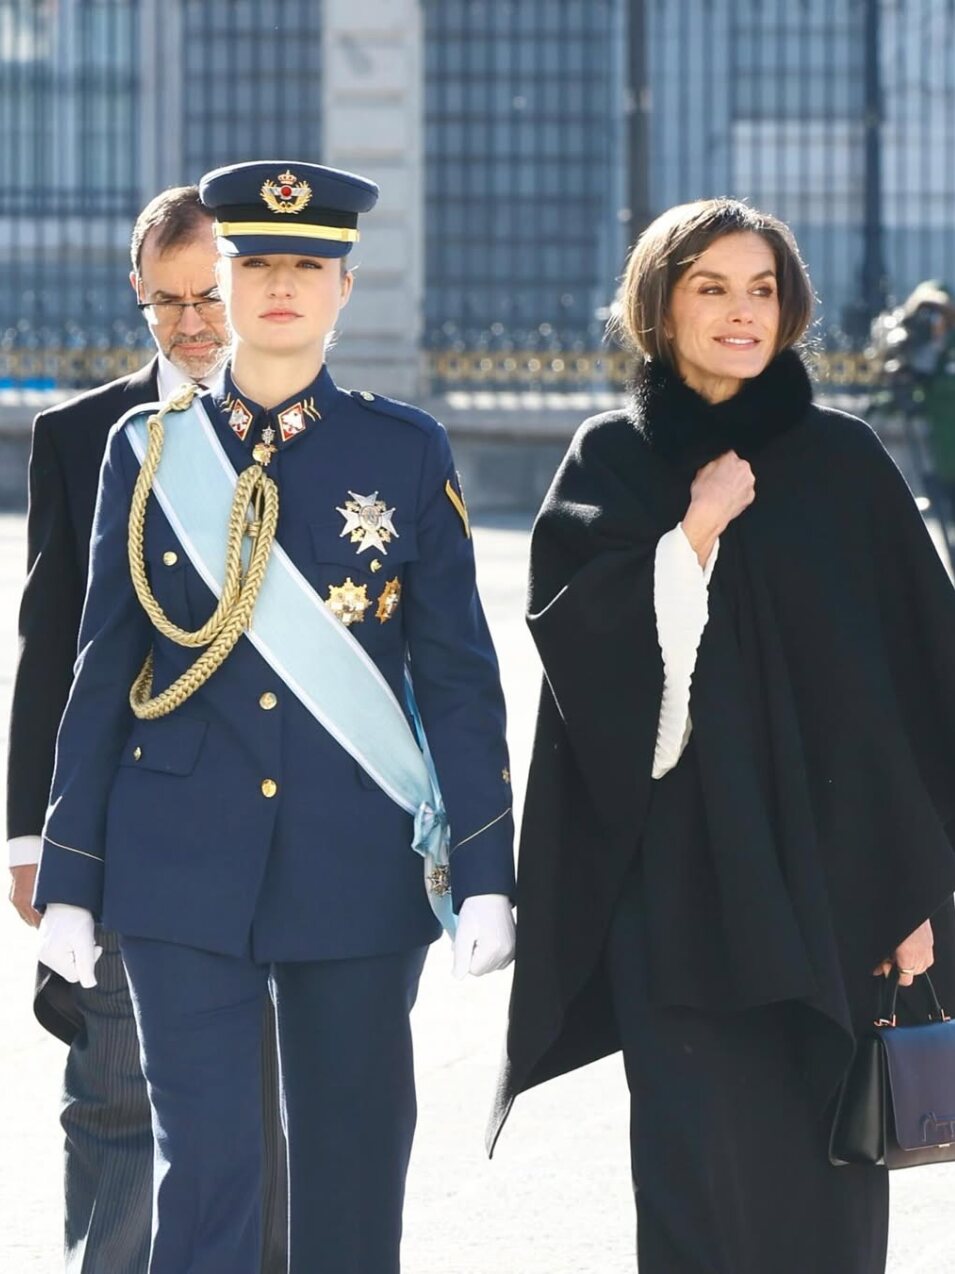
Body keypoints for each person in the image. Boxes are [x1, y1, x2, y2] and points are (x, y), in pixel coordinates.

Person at [33, 160, 516, 1274]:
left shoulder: (403, 450)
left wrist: (486, 864)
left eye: (309, 264)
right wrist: (70, 869)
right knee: (204, 1176)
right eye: (258, 264)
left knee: (351, 1167)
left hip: (353, 855)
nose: (282, 285)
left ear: (344, 287)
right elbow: (102, 664)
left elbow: (454, 669)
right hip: (176, 854)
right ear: (225, 278)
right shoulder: (147, 451)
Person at [490, 199, 955, 1274]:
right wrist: (689, 534)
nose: (740, 312)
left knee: (830, 1205)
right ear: (659, 306)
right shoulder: (609, 460)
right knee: (694, 1186)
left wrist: (916, 901)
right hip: (679, 903)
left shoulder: (845, 463)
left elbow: (912, 696)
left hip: (841, 906)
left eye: (760, 289)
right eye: (710, 287)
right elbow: (586, 683)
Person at [7, 185, 287, 1274]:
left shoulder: (320, 426)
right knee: (120, 1095)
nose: (192, 327)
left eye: (209, 299)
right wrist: (32, 834)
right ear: (139, 292)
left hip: (279, 824)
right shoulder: (78, 437)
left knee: (268, 1108)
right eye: (167, 303)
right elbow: (52, 646)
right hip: (130, 822)